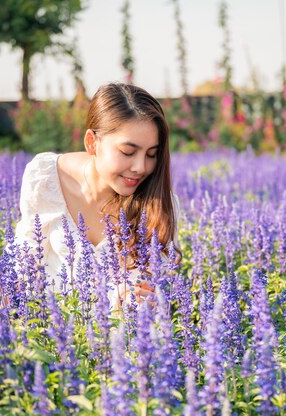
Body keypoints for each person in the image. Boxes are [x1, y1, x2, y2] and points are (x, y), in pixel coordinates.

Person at [11, 82, 180, 309]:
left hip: (121, 337)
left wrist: (141, 299)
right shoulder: (45, 177)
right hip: (48, 331)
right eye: (127, 152)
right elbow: (24, 264)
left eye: (151, 154)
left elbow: (156, 293)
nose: (140, 167)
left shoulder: (158, 205)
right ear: (92, 142)